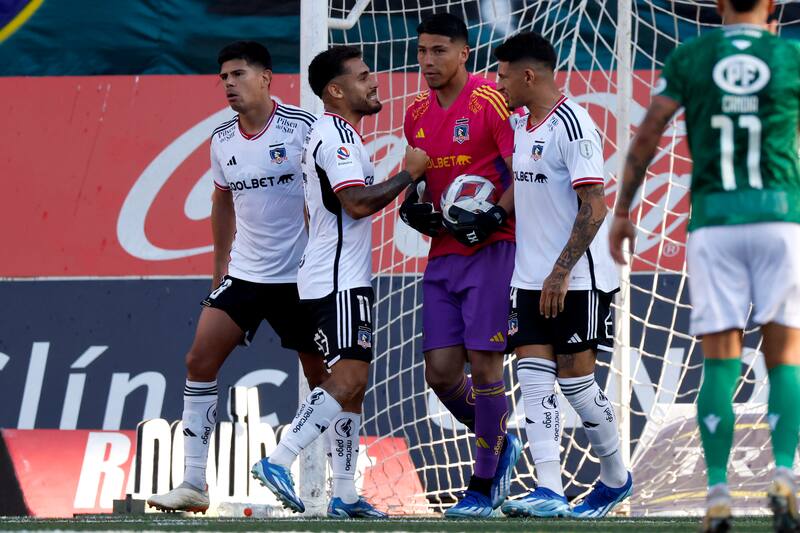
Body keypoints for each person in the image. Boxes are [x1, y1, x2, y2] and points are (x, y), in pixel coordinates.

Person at [609, 1, 800, 531]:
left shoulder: (692, 55)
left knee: (719, 361)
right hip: (780, 217)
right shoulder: (791, 56)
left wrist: (623, 210)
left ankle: (717, 490)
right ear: (773, 10)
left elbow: (647, 136)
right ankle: (783, 473)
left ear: (717, 5)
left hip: (713, 223)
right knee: (786, 356)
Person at [146, 41, 326, 513]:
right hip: (245, 275)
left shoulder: (303, 129)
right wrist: (218, 269)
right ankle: (192, 483)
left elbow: (322, 200)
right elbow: (222, 200)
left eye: (238, 74)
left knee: (324, 377)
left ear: (266, 78)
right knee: (198, 360)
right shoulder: (222, 139)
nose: (229, 83)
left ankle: (340, 486)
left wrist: (321, 268)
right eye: (223, 76)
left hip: (299, 278)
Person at [251, 45, 429, 518]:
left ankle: (346, 493)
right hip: (338, 281)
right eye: (363, 76)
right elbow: (356, 204)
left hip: (329, 277)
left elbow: (321, 212)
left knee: (351, 389)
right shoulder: (337, 139)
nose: (374, 83)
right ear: (335, 90)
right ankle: (278, 459)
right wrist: (409, 175)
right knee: (348, 378)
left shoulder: (337, 134)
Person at [493, 32, 632, 519]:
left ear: (529, 76)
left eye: (504, 75)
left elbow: (594, 205)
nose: (499, 83)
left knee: (576, 385)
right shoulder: (518, 121)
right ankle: (549, 489)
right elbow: (521, 183)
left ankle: (615, 477)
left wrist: (560, 271)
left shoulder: (574, 126)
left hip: (578, 276)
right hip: (528, 277)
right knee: (532, 380)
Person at [399, 12, 522, 518]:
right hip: (444, 255)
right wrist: (415, 208)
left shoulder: (491, 100)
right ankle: (498, 443)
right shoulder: (414, 113)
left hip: (494, 250)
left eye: (439, 51)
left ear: (464, 52)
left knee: (487, 365)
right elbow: (420, 180)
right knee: (441, 374)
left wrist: (495, 214)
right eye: (422, 51)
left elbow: (524, 174)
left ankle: (483, 483)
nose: (428, 61)